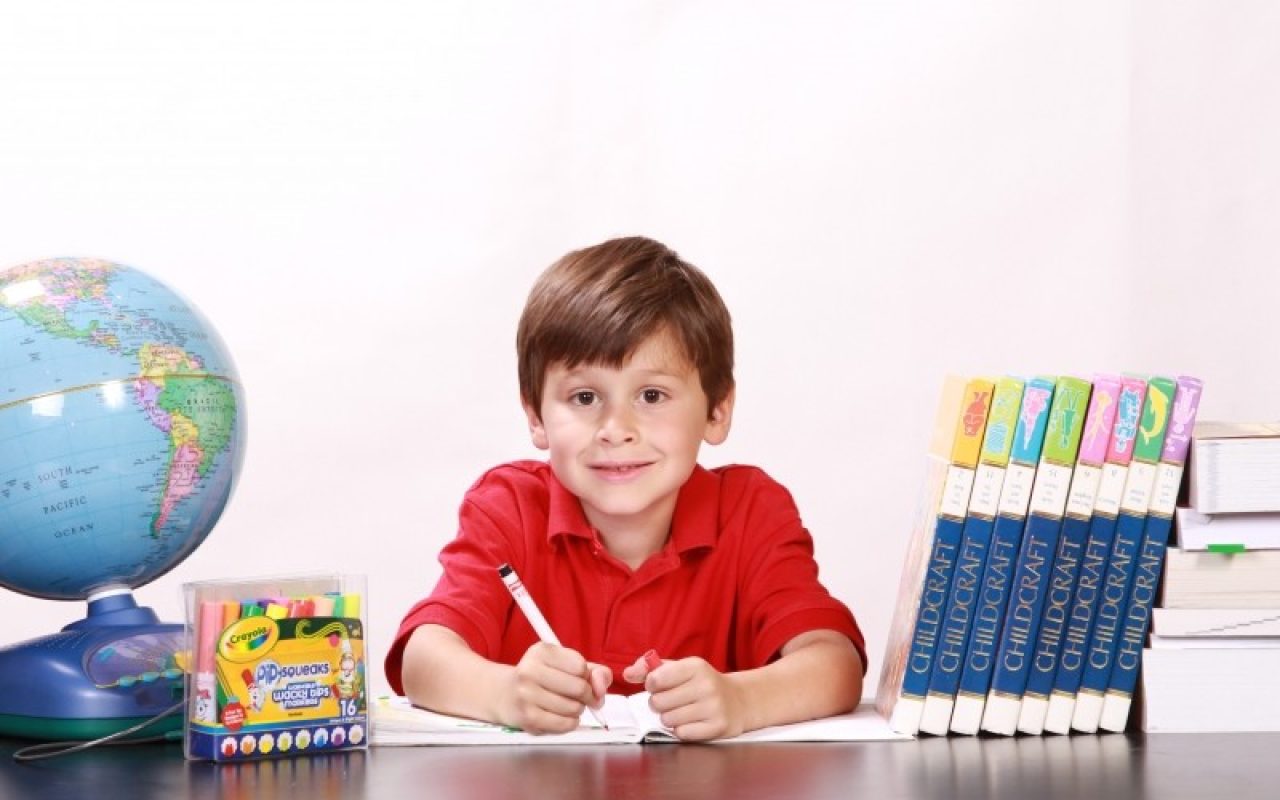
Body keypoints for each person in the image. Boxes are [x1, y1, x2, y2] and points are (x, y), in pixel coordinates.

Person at [384, 236, 865, 741]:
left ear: (717, 410)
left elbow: (834, 664)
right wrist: (505, 693)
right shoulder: (508, 506)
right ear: (536, 415)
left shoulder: (750, 510)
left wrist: (742, 700)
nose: (616, 428)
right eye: (585, 396)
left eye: (652, 395)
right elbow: (423, 658)